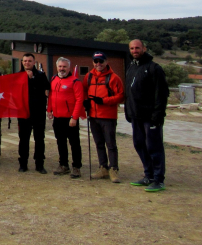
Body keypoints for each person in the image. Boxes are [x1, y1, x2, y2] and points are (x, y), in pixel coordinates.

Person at [126, 39, 169, 192]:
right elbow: (129, 93)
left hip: (150, 117)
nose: (134, 50)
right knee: (139, 145)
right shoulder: (131, 67)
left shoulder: (154, 68)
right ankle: (148, 176)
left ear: (144, 48)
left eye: (137, 48)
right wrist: (128, 112)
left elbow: (161, 93)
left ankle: (158, 179)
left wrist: (158, 115)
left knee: (154, 147)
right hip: (136, 116)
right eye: (132, 48)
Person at [83, 51, 125, 183]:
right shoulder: (89, 76)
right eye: (96, 61)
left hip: (108, 116)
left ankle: (114, 169)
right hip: (93, 116)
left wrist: (104, 101)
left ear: (106, 62)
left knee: (110, 144)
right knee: (99, 143)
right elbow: (84, 91)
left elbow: (121, 96)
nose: (98, 64)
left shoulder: (113, 78)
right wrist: (85, 102)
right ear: (93, 63)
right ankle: (103, 168)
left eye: (101, 61)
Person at [48, 57, 85, 178]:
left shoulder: (75, 82)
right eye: (60, 66)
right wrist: (49, 110)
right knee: (60, 142)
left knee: (74, 143)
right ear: (57, 67)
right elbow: (51, 95)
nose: (62, 69)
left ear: (69, 67)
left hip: (70, 118)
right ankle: (63, 165)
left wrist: (74, 117)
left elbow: (80, 100)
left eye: (64, 66)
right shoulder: (53, 79)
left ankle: (76, 167)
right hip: (58, 118)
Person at [18, 53, 50, 174]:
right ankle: (23, 164)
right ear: (22, 62)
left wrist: (32, 79)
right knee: (23, 139)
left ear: (34, 62)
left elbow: (47, 87)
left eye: (29, 61)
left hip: (38, 113)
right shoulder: (18, 75)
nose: (27, 63)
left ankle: (39, 164)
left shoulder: (41, 75)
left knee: (39, 139)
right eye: (25, 61)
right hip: (23, 113)